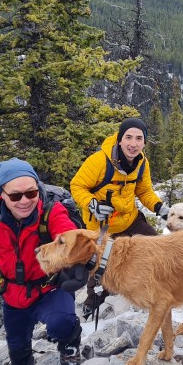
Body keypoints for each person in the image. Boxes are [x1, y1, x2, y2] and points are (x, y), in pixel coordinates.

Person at [0, 158, 87, 365]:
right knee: (18, 355)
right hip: (13, 294)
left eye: (31, 193)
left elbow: (70, 236)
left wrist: (79, 261)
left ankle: (69, 345)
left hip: (49, 288)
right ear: (1, 195)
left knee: (61, 322)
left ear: (38, 189)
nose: (24, 201)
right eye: (15, 196)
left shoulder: (51, 212)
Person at [70, 117, 169, 316]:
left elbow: (144, 191)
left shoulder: (142, 163)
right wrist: (93, 205)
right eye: (128, 137)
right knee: (99, 266)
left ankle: (155, 285)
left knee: (159, 247)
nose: (133, 144)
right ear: (120, 139)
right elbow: (77, 186)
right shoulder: (99, 160)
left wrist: (159, 207)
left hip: (129, 219)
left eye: (139, 138)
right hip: (101, 225)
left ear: (144, 142)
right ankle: (94, 299)